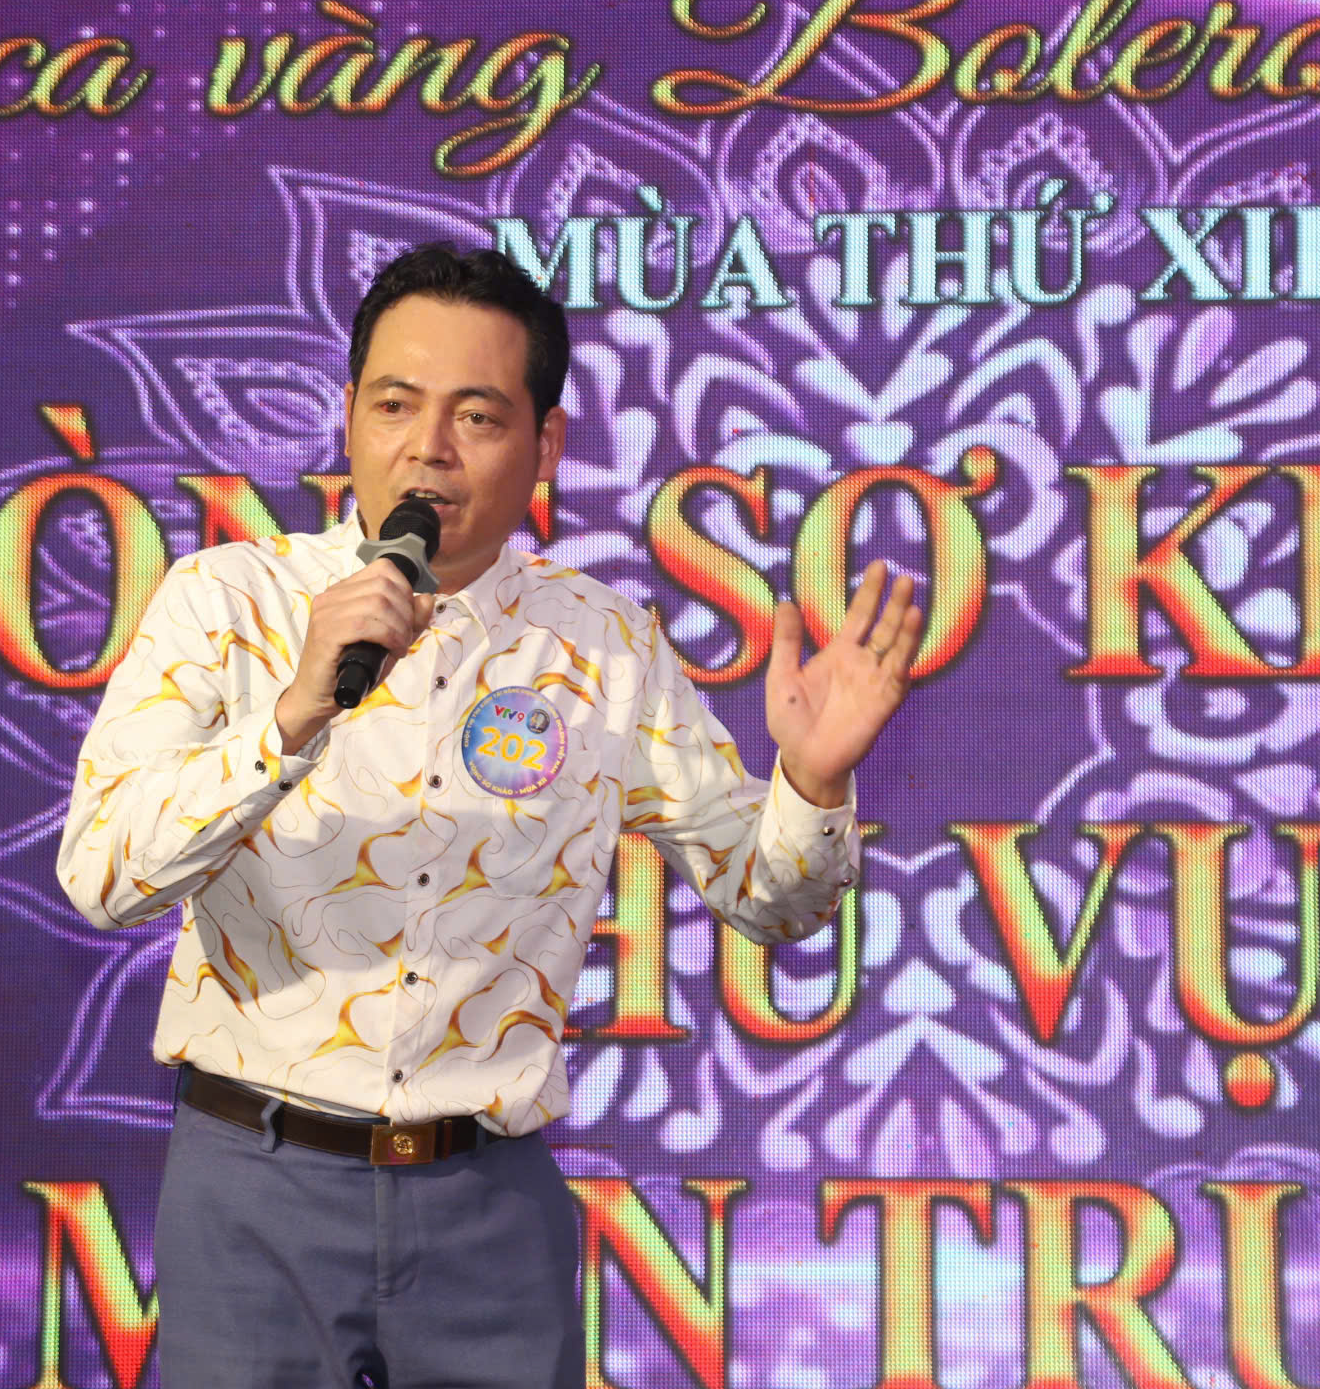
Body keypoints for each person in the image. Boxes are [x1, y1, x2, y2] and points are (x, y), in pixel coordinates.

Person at [57, 244, 925, 1388]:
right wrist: (295, 713)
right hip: (252, 1186)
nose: (429, 447)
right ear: (349, 416)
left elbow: (772, 904)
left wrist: (810, 783)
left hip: (487, 1206)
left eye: (476, 415)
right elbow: (103, 876)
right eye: (395, 405)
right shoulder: (227, 603)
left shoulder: (601, 643)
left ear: (544, 444)